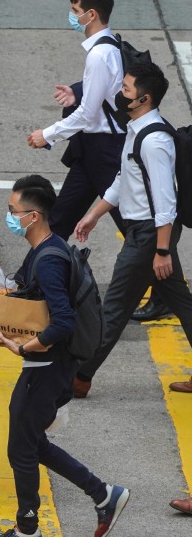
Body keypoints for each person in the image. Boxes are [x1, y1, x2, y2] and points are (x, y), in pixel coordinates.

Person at [0, 175, 129, 537]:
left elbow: (62, 320)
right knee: (31, 442)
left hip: (47, 365)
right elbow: (40, 299)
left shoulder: (47, 258)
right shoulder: (46, 248)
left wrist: (26, 346)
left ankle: (28, 530)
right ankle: (104, 495)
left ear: (33, 216)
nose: (9, 217)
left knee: (20, 447)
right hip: (49, 365)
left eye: (13, 211)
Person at [73, 62, 192, 398]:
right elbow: (125, 179)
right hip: (147, 233)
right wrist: (94, 214)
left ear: (144, 98)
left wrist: (162, 251)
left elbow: (166, 202)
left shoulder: (154, 141)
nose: (119, 93)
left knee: (114, 308)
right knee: (182, 304)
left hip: (149, 236)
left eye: (125, 89)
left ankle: (79, 377)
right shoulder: (137, 129)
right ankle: (80, 374)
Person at [27, 0, 125, 238]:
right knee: (59, 222)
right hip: (91, 151)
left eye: (75, 9)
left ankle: (166, 273)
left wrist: (47, 135)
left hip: (107, 152)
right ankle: (31, 278)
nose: (72, 16)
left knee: (132, 227)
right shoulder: (110, 45)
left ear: (91, 14)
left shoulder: (98, 54)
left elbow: (87, 114)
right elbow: (106, 89)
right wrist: (77, 92)